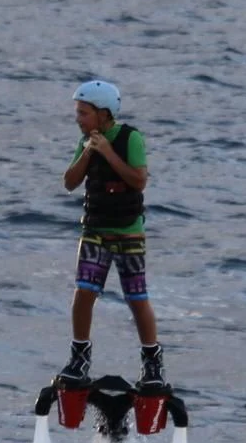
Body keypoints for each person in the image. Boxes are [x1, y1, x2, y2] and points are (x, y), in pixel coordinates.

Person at [60, 78, 166, 388]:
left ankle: (152, 362)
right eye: (77, 113)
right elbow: (69, 182)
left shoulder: (130, 138)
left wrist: (107, 151)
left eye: (84, 113)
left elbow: (138, 180)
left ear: (103, 114)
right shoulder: (86, 142)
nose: (78, 119)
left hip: (128, 231)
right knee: (84, 291)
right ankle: (79, 356)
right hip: (95, 229)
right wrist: (88, 153)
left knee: (136, 296)